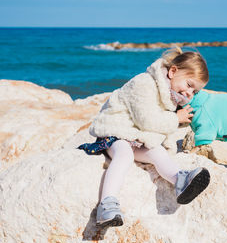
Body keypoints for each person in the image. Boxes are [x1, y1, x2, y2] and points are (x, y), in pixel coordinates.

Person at [78, 47, 210, 228]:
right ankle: (107, 205)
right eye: (189, 85)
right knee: (124, 155)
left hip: (137, 136)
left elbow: (158, 129)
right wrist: (175, 119)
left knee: (158, 153)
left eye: (194, 92)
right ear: (173, 72)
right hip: (115, 131)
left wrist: (178, 125)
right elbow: (147, 120)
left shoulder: (171, 96)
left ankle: (179, 180)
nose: (189, 93)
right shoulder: (144, 83)